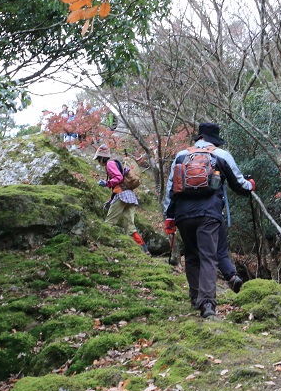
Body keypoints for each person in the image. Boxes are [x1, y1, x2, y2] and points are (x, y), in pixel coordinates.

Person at [163, 123, 254, 318]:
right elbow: (240, 185)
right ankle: (207, 304)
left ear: (199, 137)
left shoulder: (181, 155)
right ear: (215, 139)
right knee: (208, 257)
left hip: (183, 214)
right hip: (209, 215)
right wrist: (251, 185)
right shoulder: (221, 155)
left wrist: (169, 217)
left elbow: (171, 188)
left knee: (192, 256)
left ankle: (196, 298)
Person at [95, 144, 150, 255]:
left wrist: (106, 183)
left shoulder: (110, 163)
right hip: (130, 196)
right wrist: (110, 201)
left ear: (102, 158)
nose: (98, 162)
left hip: (122, 195)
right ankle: (145, 251)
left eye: (98, 159)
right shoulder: (116, 162)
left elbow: (119, 178)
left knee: (109, 222)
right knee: (131, 228)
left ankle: (102, 245)